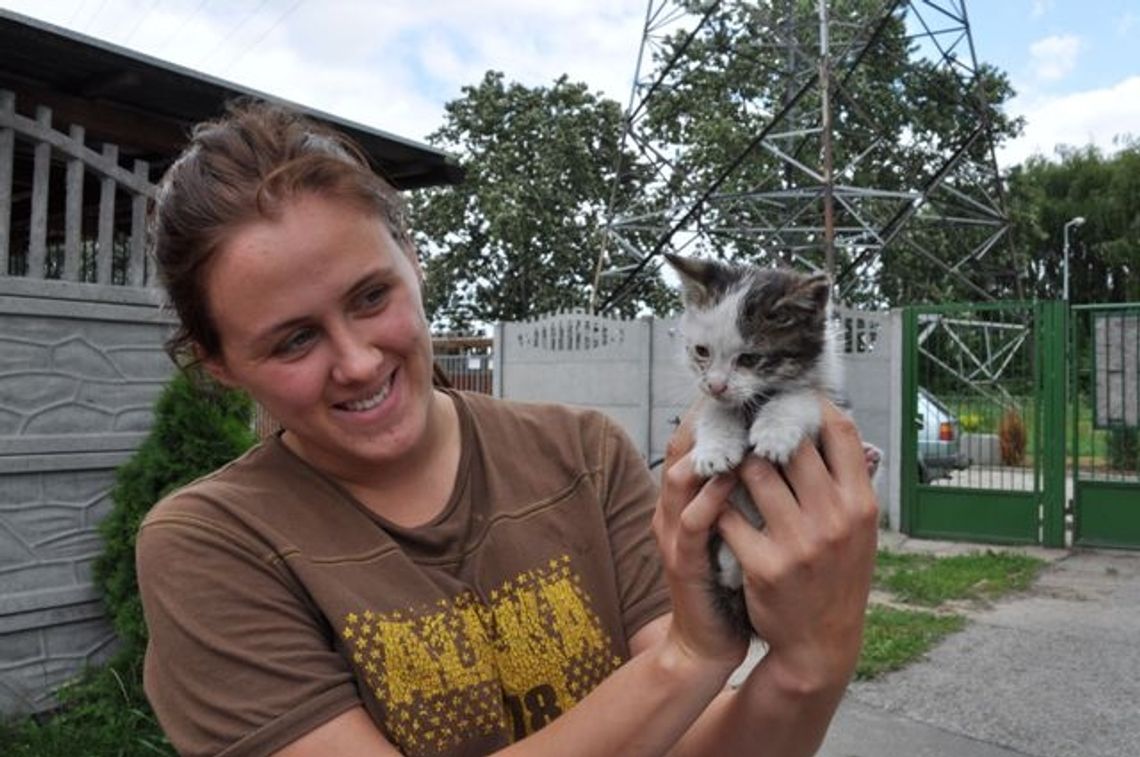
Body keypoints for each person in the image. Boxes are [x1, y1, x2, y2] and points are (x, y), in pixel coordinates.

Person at [136, 100, 879, 757]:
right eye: (293, 340)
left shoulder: (584, 455)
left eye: (370, 296)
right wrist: (688, 654)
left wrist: (809, 664)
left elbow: (692, 739)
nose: (358, 362)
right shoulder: (212, 545)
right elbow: (681, 672)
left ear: (414, 260)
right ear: (219, 365)